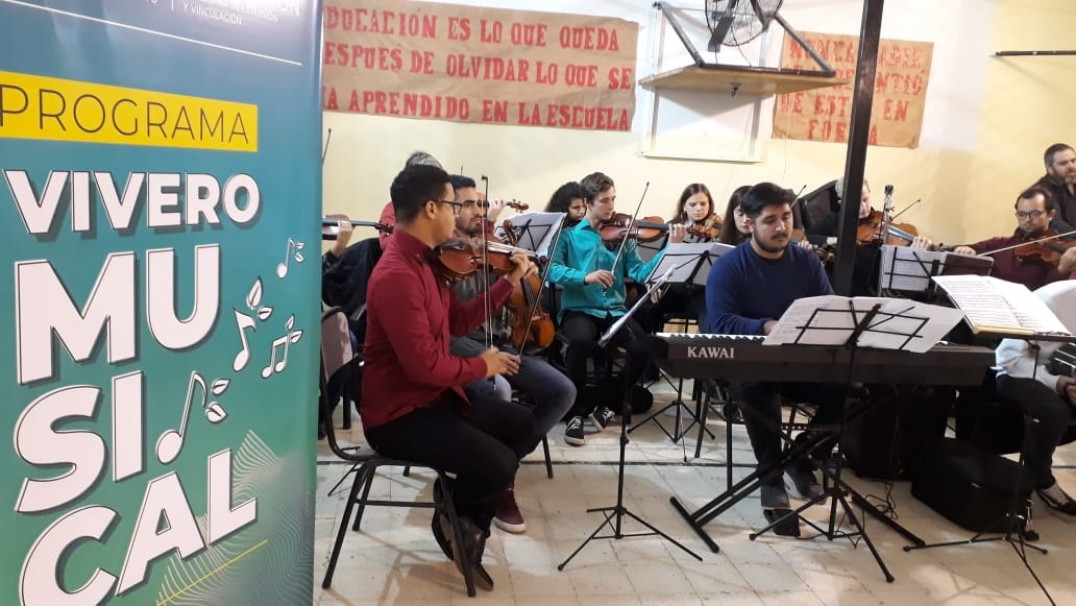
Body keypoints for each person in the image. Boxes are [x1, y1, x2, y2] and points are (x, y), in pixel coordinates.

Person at [361, 164, 536, 590]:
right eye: (454, 205)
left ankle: (458, 512)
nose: (460, 215)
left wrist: (505, 283)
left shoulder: (427, 262)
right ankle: (463, 525)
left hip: (431, 397)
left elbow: (455, 321)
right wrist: (484, 366)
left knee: (522, 424)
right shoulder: (397, 274)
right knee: (500, 464)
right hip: (397, 416)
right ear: (431, 207)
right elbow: (423, 366)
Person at [706, 182, 847, 522]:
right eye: (770, 220)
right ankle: (771, 475)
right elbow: (721, 322)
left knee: (852, 390)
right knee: (758, 388)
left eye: (785, 217)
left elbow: (827, 309)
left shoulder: (807, 262)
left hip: (800, 362)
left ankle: (801, 458)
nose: (781, 227)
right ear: (749, 223)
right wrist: (766, 326)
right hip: (750, 363)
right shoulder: (729, 266)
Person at [446, 174, 576, 534]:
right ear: (447, 207)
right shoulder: (442, 254)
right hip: (455, 344)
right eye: (469, 204)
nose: (479, 210)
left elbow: (501, 301)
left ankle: (504, 467)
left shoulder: (490, 247)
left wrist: (521, 274)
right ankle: (495, 480)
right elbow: (451, 322)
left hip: (495, 343)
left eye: (480, 203)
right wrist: (502, 278)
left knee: (563, 391)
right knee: (499, 390)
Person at [547, 171, 686, 445]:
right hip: (581, 309)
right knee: (579, 341)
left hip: (615, 311)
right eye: (604, 200)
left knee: (646, 347)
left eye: (613, 199)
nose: (611, 207)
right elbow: (550, 270)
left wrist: (669, 248)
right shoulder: (569, 236)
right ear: (587, 202)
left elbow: (640, 271)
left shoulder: (624, 236)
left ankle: (608, 404)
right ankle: (575, 414)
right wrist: (584, 277)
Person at [995, 280, 1076, 519]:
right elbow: (1008, 359)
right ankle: (1041, 478)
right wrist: (1059, 383)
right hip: (1017, 371)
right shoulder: (1052, 299)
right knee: (1054, 411)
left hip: (1065, 372)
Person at [805, 179, 934, 295]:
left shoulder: (879, 217)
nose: (863, 207)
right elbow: (808, 236)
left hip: (883, 279)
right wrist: (835, 240)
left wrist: (916, 252)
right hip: (856, 285)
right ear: (842, 203)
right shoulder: (835, 221)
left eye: (865, 199)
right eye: (856, 203)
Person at [949, 186, 1076, 290]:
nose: (1027, 220)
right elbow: (956, 250)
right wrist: (959, 249)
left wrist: (1062, 269)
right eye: (1021, 214)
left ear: (1051, 215)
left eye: (1035, 214)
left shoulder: (1061, 258)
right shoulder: (1001, 244)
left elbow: (1049, 296)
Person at [1035, 143, 1076, 228]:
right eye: (1063, 163)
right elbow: (1055, 223)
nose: (1071, 166)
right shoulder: (1041, 192)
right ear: (1050, 168)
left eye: (1073, 161)